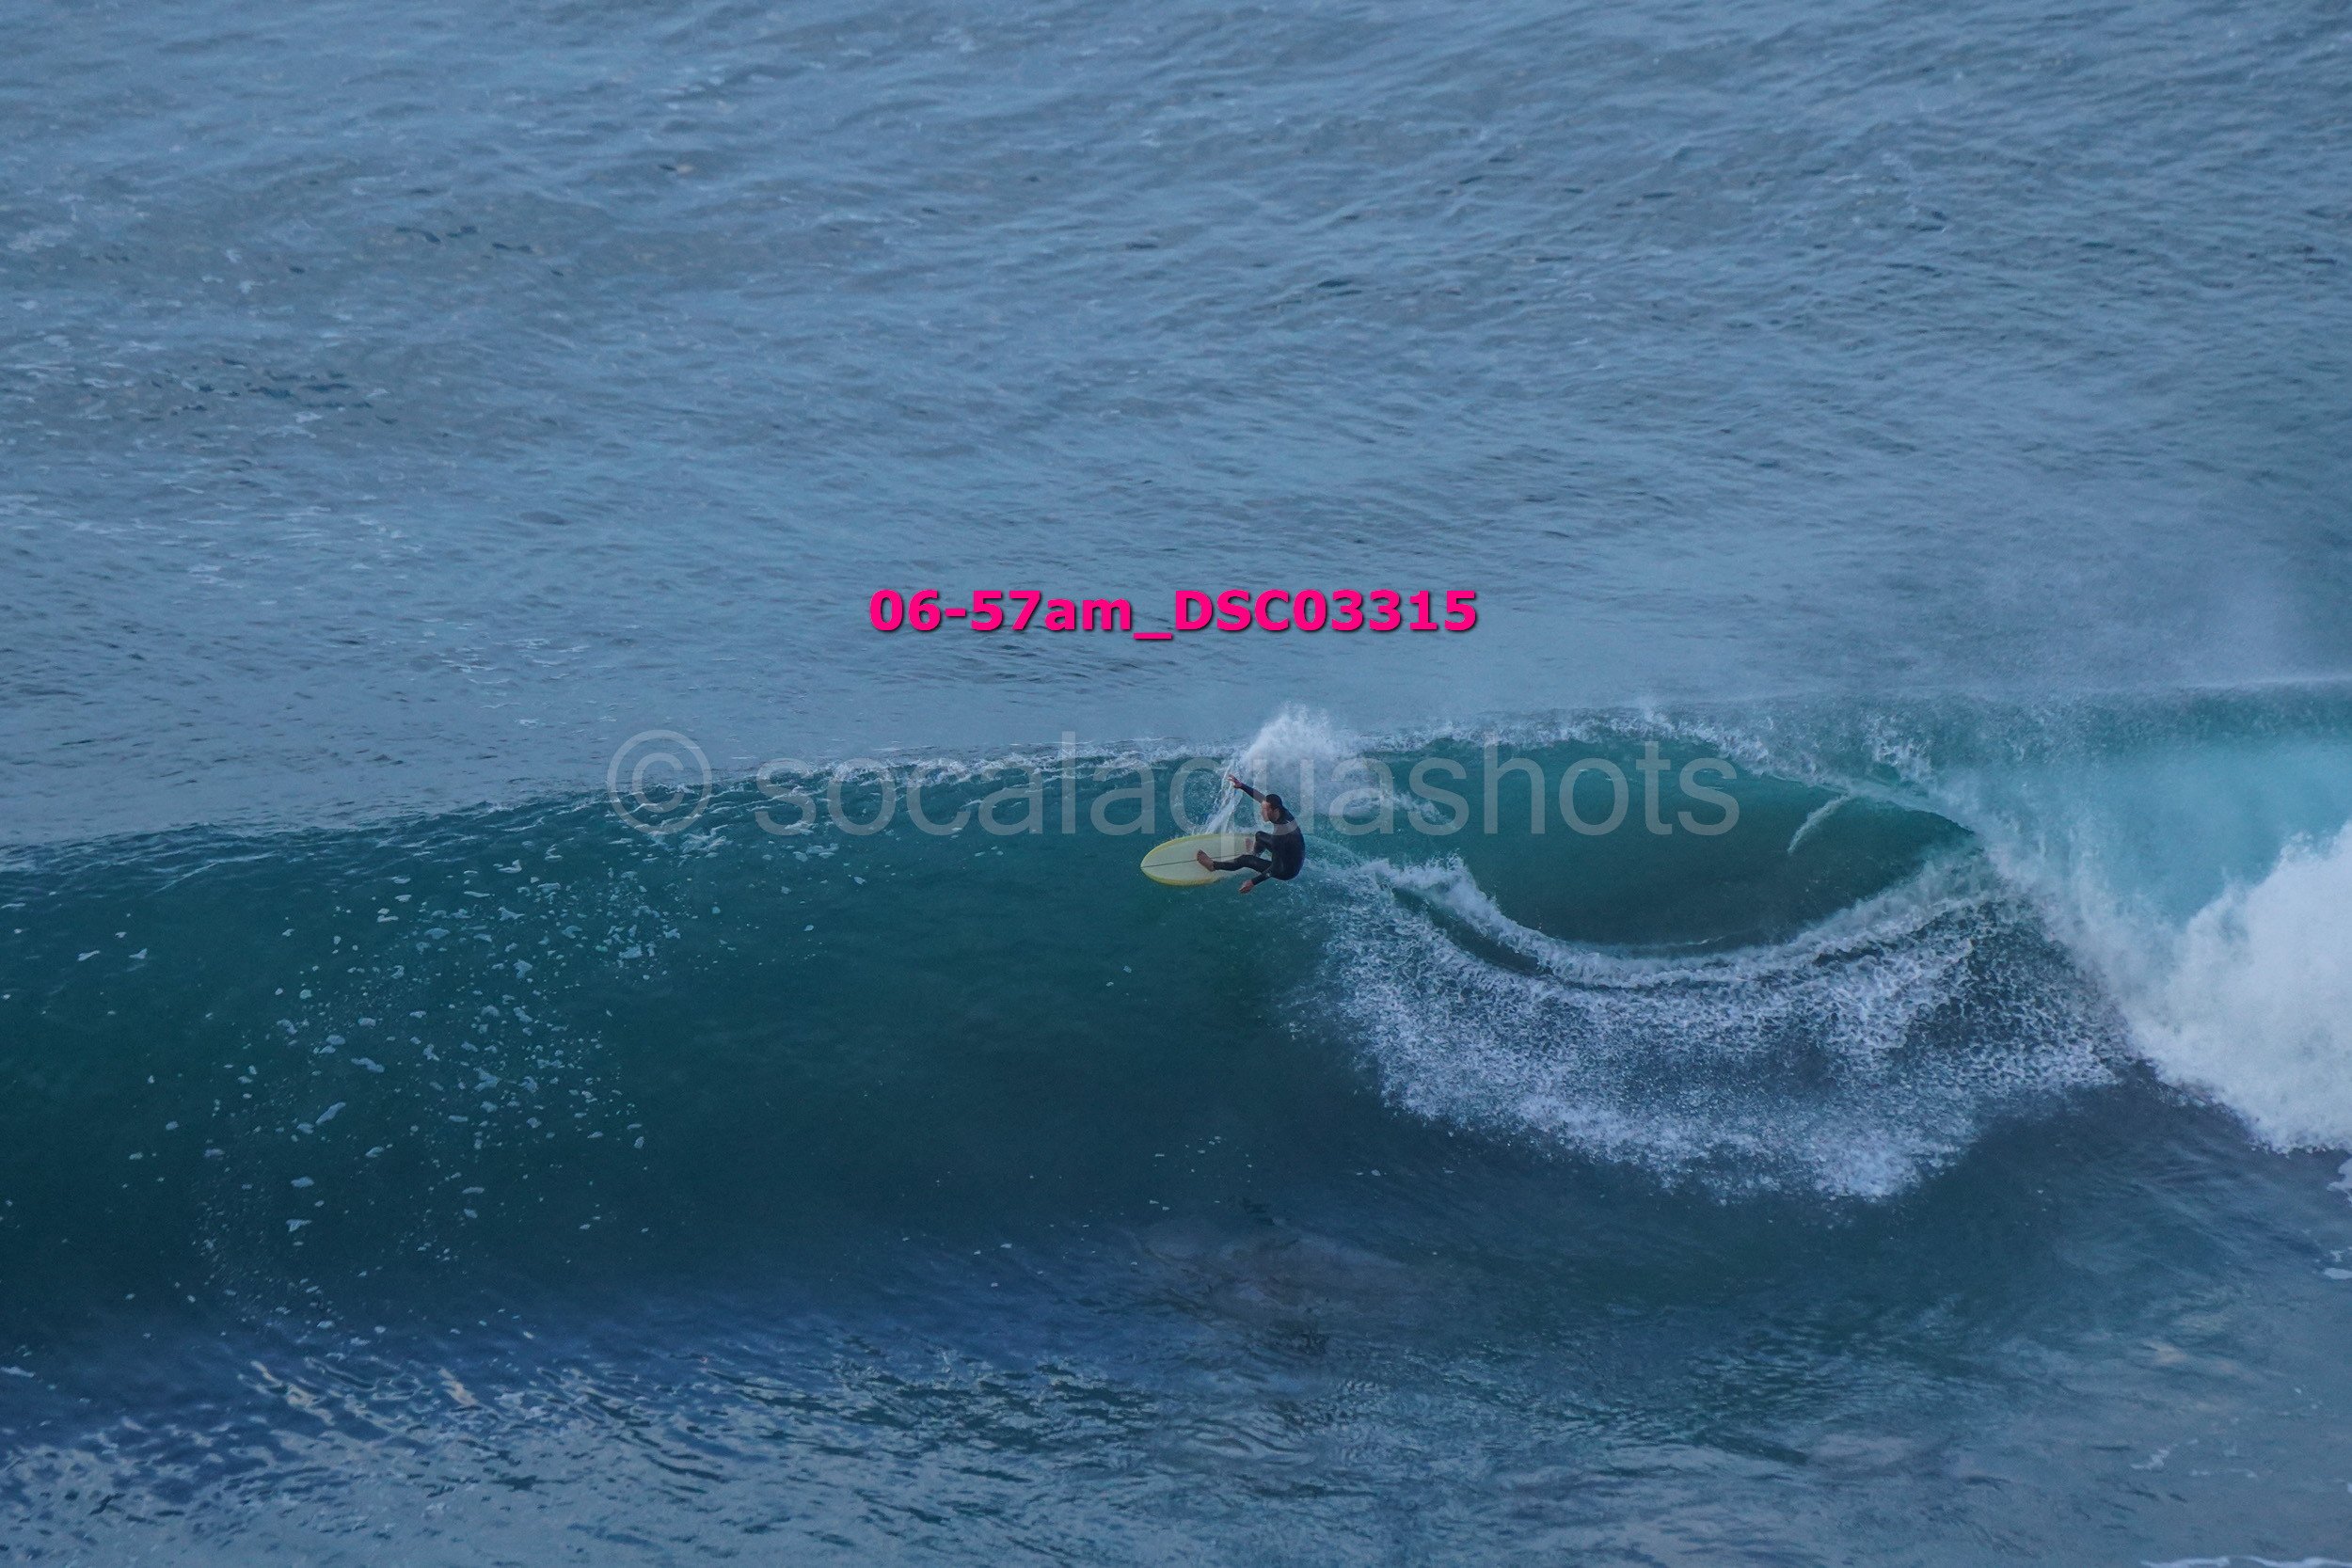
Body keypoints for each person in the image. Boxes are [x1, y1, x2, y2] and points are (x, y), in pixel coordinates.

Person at [1197, 774, 1306, 894]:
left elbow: (1275, 868)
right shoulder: (1281, 811)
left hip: (1286, 870)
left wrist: (1253, 882)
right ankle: (1255, 854)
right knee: (1259, 835)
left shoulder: (1280, 835)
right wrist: (1242, 786)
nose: (1261, 812)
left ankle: (1213, 866)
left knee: (1245, 859)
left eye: (1264, 810)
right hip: (1291, 854)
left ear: (1274, 810)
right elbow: (1260, 797)